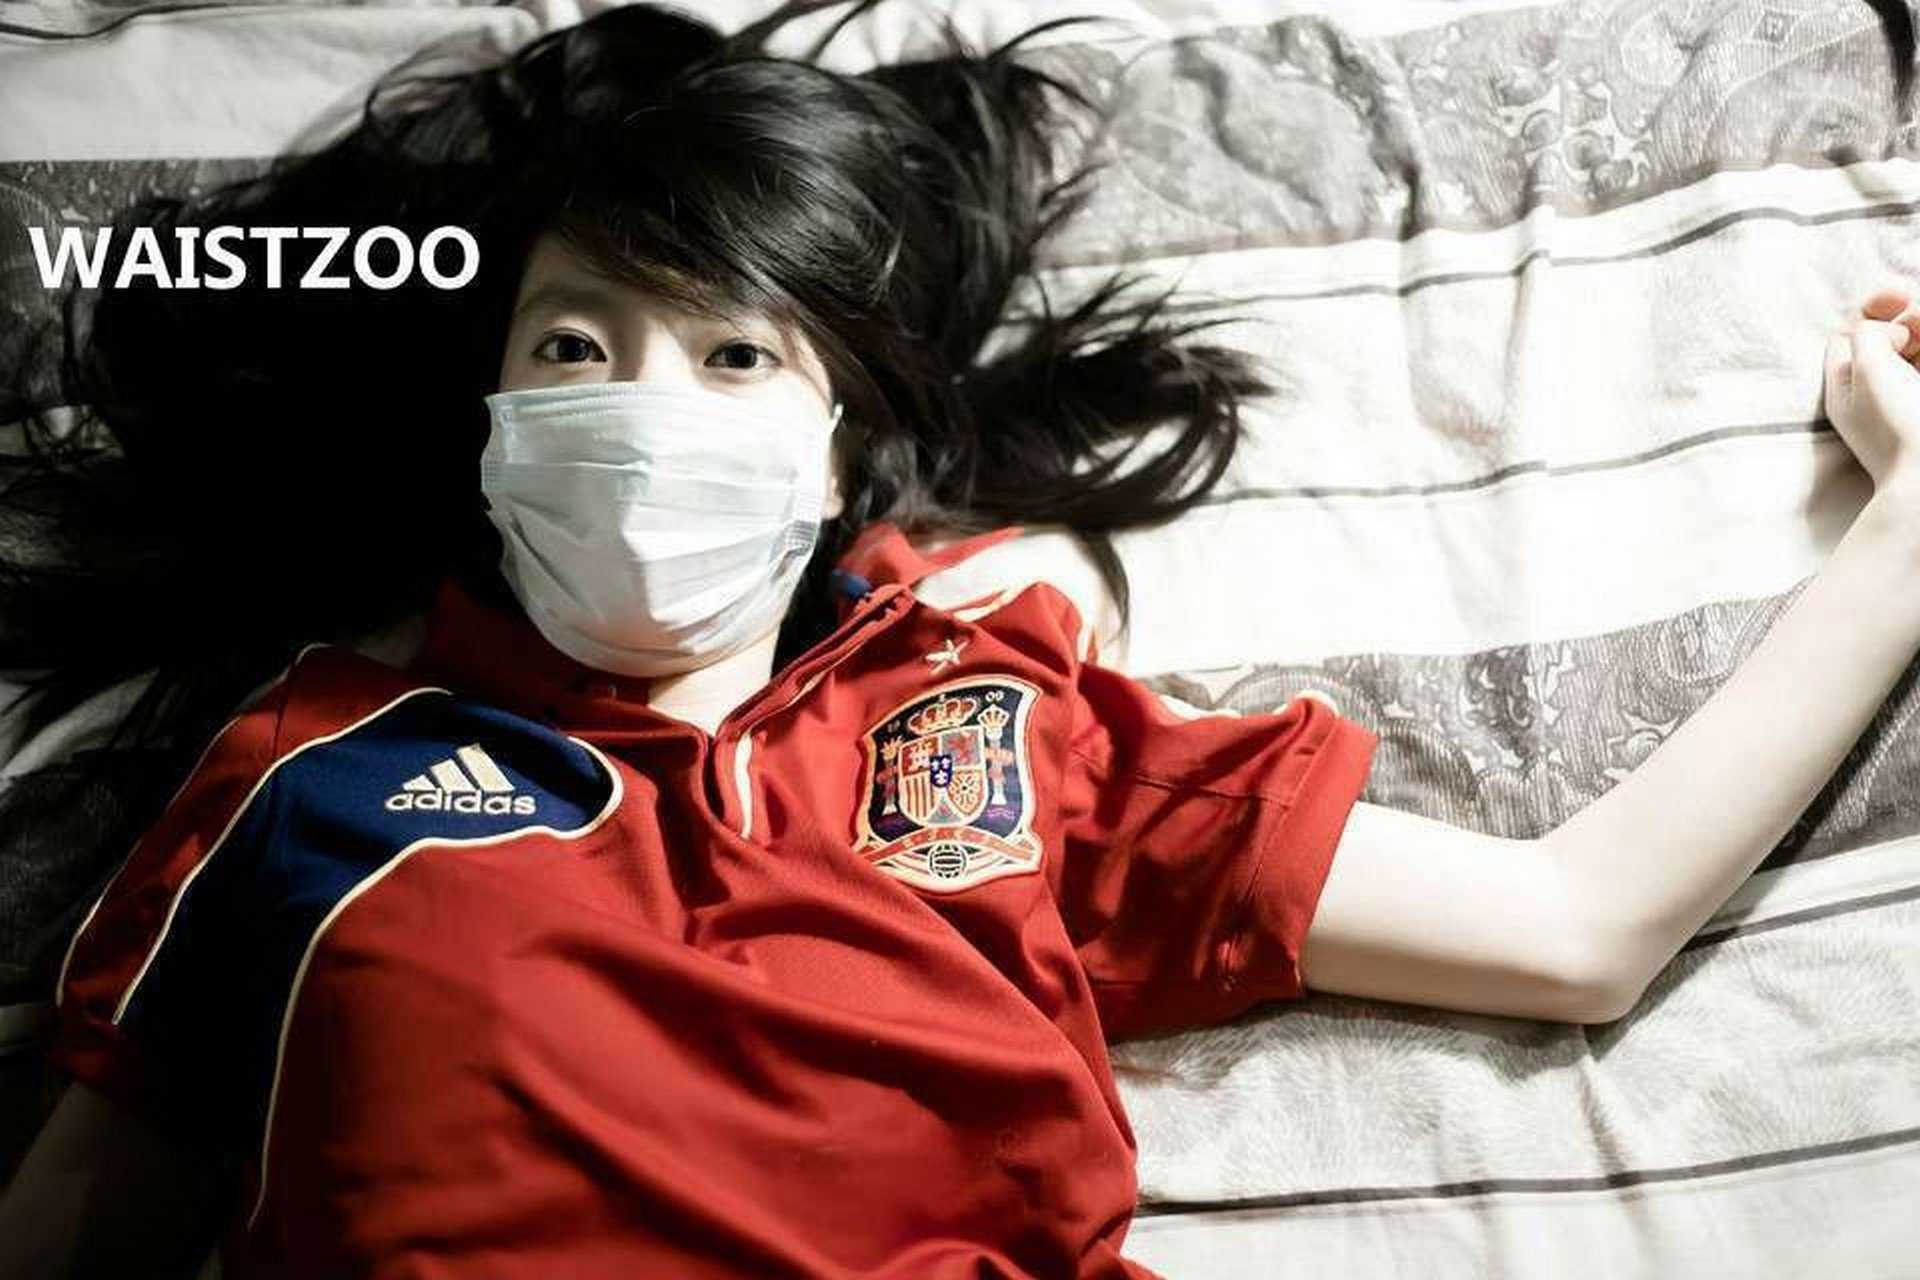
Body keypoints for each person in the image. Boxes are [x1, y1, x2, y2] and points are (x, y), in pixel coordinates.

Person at [3, 1, 1920, 1276]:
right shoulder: (311, 771)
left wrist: (1911, 523)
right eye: (574, 345)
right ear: (494, 417)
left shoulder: (988, 721)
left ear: (839, 444)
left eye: (733, 356)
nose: (642, 408)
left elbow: (1579, 925)